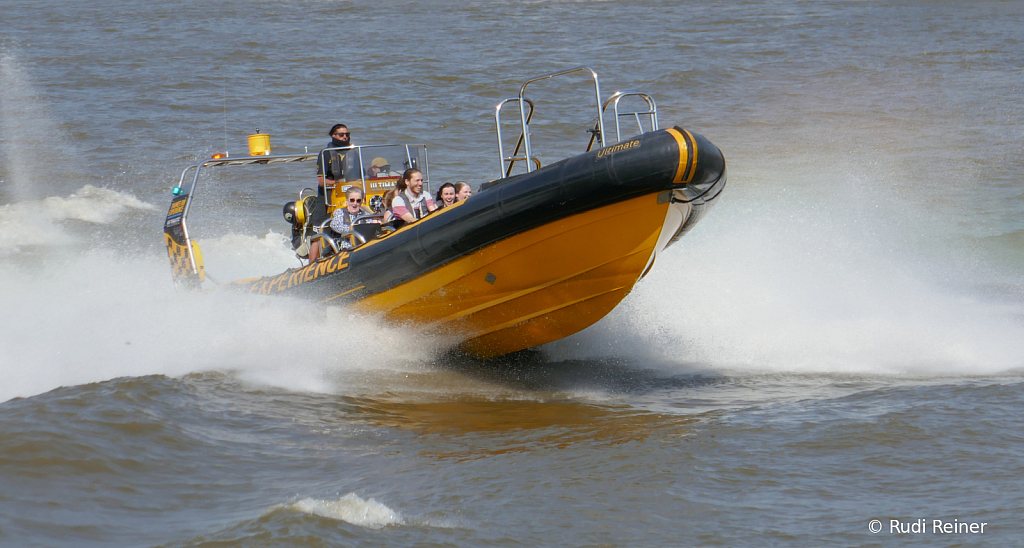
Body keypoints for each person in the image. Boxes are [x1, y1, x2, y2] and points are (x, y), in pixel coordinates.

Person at [316, 124, 352, 197]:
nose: (345, 137)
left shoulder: (353, 152)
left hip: (351, 190)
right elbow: (321, 181)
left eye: (347, 134)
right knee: (321, 207)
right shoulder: (326, 153)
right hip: (330, 192)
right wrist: (338, 182)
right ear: (333, 135)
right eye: (341, 135)